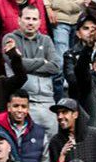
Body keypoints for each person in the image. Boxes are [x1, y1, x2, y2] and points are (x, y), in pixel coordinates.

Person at [5, 5, 59, 137]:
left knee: (51, 144)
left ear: (40, 22)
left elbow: (56, 66)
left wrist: (26, 64)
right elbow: (17, 65)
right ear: (19, 20)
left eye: (34, 19)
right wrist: (42, 61)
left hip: (47, 101)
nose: (30, 22)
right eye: (27, 18)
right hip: (24, 101)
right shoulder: (10, 39)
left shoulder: (46, 40)